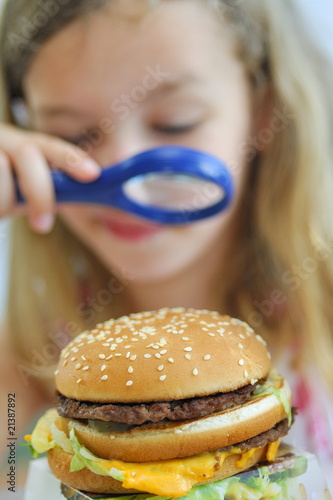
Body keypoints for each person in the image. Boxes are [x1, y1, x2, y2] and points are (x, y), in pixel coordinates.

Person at [0, 0, 333, 492]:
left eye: (176, 122)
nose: (127, 180)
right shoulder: (28, 355)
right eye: (74, 134)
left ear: (264, 110)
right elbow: (9, 471)